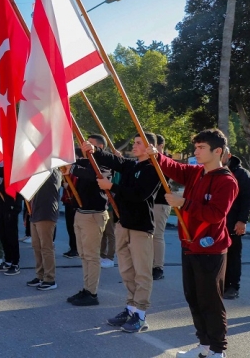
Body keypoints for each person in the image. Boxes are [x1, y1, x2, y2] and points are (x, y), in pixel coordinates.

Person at [146, 129, 238, 358]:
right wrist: (157, 155)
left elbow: (216, 214)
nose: (196, 151)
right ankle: (204, 346)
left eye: (201, 147)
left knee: (210, 301)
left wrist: (183, 203)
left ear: (217, 151)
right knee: (193, 297)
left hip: (210, 249)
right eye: (195, 147)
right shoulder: (196, 172)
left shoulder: (227, 180)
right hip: (189, 245)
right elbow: (174, 168)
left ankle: (218, 350)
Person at [83, 133, 161, 334]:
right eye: (133, 142)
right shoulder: (132, 165)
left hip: (141, 228)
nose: (134, 146)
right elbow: (114, 160)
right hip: (123, 224)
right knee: (127, 270)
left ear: (149, 147)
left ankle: (141, 314)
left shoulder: (153, 169)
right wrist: (96, 151)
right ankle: (130, 308)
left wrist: (112, 187)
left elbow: (140, 195)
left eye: (138, 143)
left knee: (142, 273)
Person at [64, 135, 111, 306]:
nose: (84, 146)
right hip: (81, 213)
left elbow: (95, 176)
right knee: (84, 255)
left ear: (98, 147)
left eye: (89, 144)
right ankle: (86, 288)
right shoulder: (85, 162)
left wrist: (73, 168)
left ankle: (92, 293)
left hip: (93, 215)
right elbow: (78, 165)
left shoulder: (105, 165)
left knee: (91, 256)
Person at [222, 148, 250, 300]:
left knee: (233, 255)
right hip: (216, 224)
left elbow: (247, 199)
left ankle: (232, 286)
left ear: (228, 156)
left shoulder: (241, 174)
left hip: (233, 223)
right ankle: (219, 284)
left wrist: (242, 220)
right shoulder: (211, 172)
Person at [28, 169, 62, 285]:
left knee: (46, 247)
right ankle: (40, 275)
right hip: (35, 212)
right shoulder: (39, 171)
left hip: (46, 213)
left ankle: (50, 278)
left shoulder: (53, 172)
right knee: (36, 246)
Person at [152, 134, 172, 280]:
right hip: (148, 203)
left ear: (160, 146)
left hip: (160, 203)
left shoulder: (166, 161)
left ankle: (158, 267)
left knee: (157, 236)